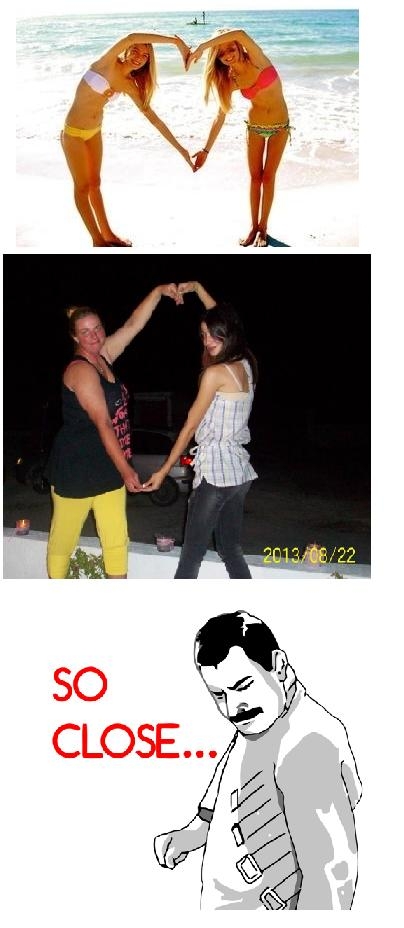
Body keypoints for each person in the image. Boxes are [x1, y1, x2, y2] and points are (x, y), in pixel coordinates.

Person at [155, 610, 362, 910]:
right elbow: (229, 789)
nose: (232, 708)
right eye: (218, 694)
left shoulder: (308, 745)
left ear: (279, 667)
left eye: (242, 686)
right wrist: (193, 833)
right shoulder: (260, 721)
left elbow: (330, 875)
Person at [46, 284, 180, 579]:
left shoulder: (103, 355)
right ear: (74, 337)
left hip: (108, 465)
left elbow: (133, 325)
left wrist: (158, 292)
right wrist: (127, 469)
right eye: (85, 332)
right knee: (63, 541)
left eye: (97, 328)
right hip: (76, 469)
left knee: (116, 541)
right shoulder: (80, 370)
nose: (94, 336)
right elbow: (103, 423)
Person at [143, 282, 258, 578]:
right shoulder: (246, 365)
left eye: (212, 334)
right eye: (203, 334)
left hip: (216, 474)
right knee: (230, 549)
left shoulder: (215, 373)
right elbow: (223, 318)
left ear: (228, 332)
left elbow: (190, 426)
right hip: (238, 473)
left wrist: (163, 471)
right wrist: (196, 288)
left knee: (191, 556)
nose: (207, 341)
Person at [61, 32, 194, 247]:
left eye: (145, 55)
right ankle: (97, 240)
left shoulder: (129, 84)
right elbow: (131, 36)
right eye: (136, 50)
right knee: (82, 187)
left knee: (95, 184)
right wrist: (177, 42)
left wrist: (182, 150)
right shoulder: (107, 62)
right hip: (73, 133)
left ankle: (108, 234)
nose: (139, 57)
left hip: (94, 132)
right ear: (127, 49)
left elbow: (153, 119)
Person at [187, 29, 290, 247]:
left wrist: (202, 46)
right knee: (255, 178)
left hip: (280, 127)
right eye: (221, 53)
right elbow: (220, 115)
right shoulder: (230, 78)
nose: (227, 55)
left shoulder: (257, 58)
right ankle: (253, 227)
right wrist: (206, 150)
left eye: (230, 48)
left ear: (239, 46)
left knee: (268, 177)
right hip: (255, 128)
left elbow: (241, 33)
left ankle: (264, 228)